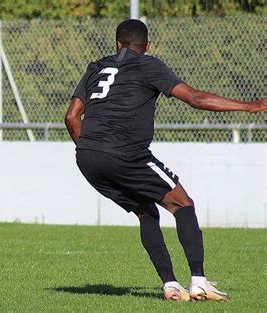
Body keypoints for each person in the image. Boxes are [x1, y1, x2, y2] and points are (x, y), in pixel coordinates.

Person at [65, 19, 266, 302]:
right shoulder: (148, 65)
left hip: (86, 158)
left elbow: (72, 116)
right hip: (125, 154)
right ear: (146, 46)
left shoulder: (96, 67)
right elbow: (195, 98)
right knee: (183, 203)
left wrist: (92, 148)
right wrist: (249, 106)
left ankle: (171, 285)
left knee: (147, 211)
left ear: (117, 43)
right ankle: (199, 282)